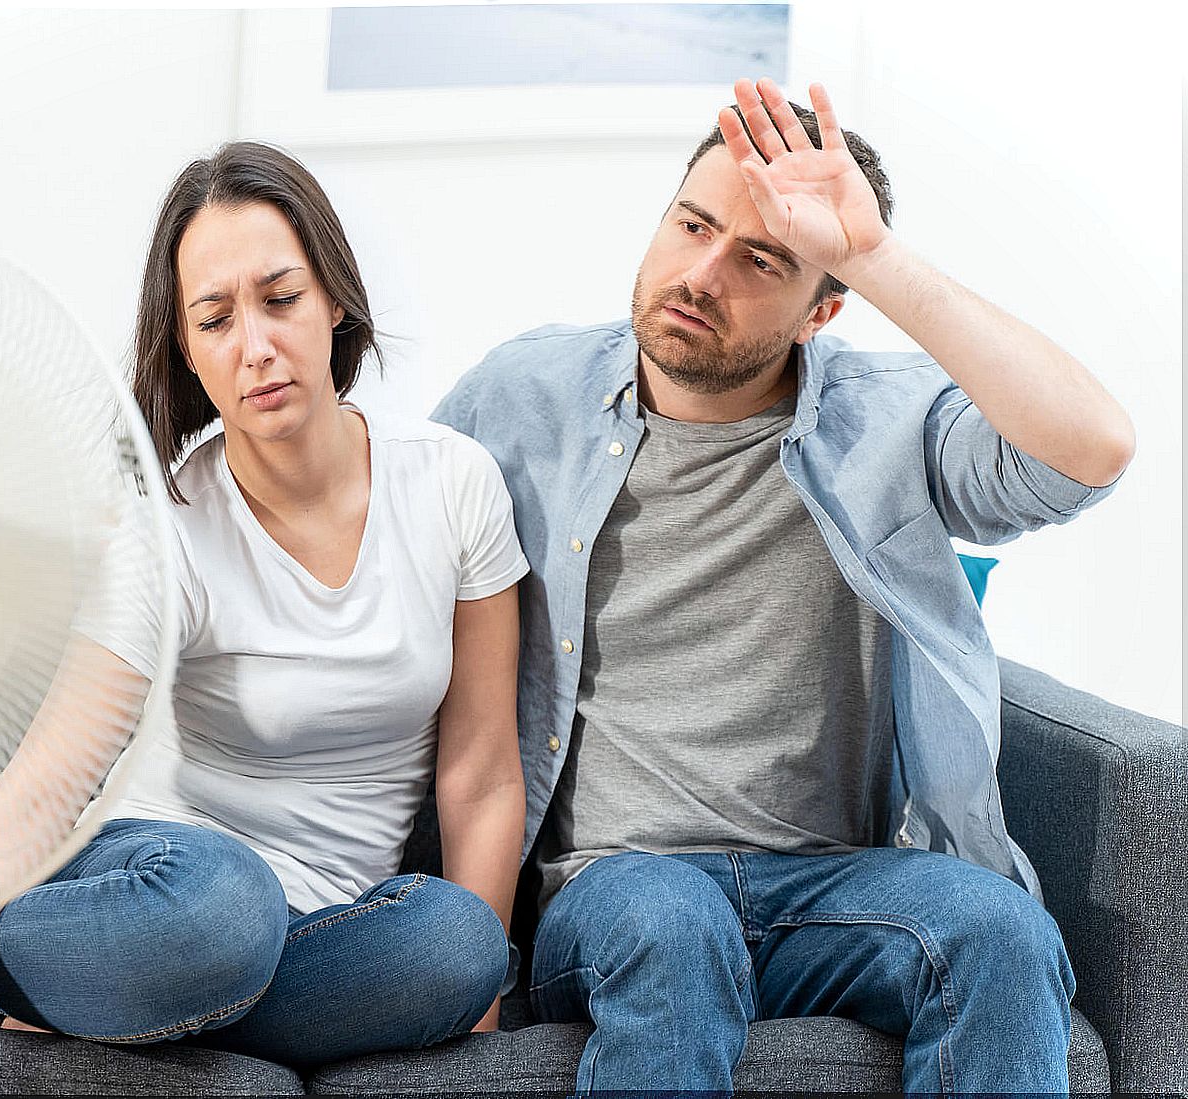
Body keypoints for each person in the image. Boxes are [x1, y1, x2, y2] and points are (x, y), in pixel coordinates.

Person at [433, 78, 1134, 1094]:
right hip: (615, 885)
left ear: (823, 309)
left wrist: (875, 254)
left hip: (831, 887)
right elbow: (391, 564)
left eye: (758, 259)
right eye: (690, 224)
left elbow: (1092, 449)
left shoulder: (890, 424)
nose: (699, 273)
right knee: (673, 930)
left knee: (995, 929)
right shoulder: (520, 396)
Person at [0, 141, 529, 1095]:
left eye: (281, 298)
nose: (255, 344)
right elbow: (49, 780)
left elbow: (481, 772)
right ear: (188, 350)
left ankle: (121, 1004)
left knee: (463, 946)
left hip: (331, 936)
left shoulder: (455, 484)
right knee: (222, 914)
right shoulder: (165, 528)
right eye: (214, 320)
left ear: (335, 298)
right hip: (163, 885)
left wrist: (476, 1006)